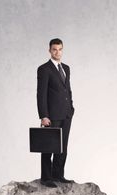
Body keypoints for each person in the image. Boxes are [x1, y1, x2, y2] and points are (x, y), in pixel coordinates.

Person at [37, 38, 75, 187]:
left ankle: (58, 175)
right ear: (50, 50)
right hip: (51, 115)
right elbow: (41, 94)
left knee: (63, 146)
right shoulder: (44, 69)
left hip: (66, 114)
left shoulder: (66, 68)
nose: (57, 52)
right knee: (48, 147)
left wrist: (71, 108)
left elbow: (68, 90)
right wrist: (43, 115)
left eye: (60, 49)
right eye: (54, 49)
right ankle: (46, 178)